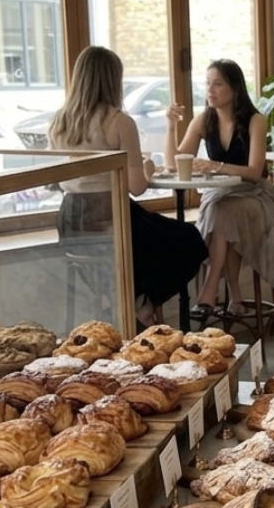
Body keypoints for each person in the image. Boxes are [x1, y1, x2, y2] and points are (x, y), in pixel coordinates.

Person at [49, 46, 208, 327]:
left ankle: (109, 298)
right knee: (188, 239)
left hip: (71, 222)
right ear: (113, 80)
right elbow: (137, 187)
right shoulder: (119, 121)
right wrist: (147, 167)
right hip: (113, 220)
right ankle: (139, 303)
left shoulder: (59, 122)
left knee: (155, 239)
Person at [166, 58, 274, 318]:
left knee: (223, 213)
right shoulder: (202, 121)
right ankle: (234, 297)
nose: (210, 90)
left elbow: (254, 173)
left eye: (217, 84)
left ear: (235, 88)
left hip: (254, 196)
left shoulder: (255, 121)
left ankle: (209, 292)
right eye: (207, 83)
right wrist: (171, 126)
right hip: (220, 198)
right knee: (223, 214)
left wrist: (215, 166)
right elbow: (174, 164)